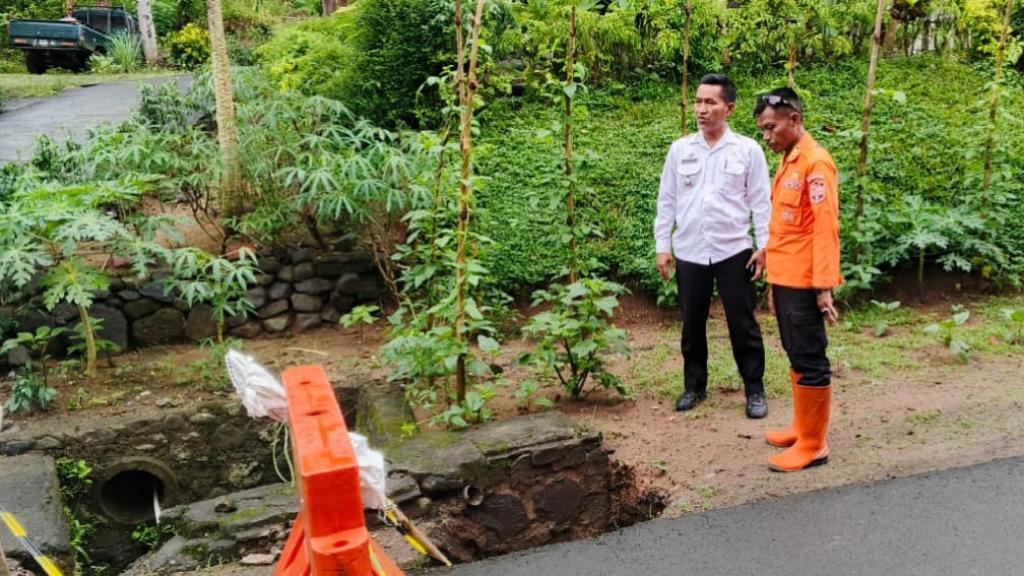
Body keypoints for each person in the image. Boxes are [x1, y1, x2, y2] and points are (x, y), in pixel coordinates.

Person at [654, 73, 772, 419]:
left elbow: (761, 203)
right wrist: (663, 245)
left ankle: (754, 390)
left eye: (710, 102)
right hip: (690, 250)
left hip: (734, 250)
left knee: (743, 323)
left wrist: (764, 246)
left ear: (729, 108)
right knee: (692, 323)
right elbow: (667, 201)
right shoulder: (680, 150)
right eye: (698, 102)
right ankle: (694, 387)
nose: (701, 109)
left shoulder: (748, 150)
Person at [754, 87, 842, 472]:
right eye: (762, 130)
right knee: (794, 352)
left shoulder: (815, 163)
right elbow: (790, 225)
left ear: (794, 119)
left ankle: (813, 445)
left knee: (809, 357)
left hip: (806, 282)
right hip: (785, 276)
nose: (766, 136)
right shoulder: (789, 159)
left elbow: (825, 229)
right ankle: (801, 426)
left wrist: (823, 287)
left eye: (771, 128)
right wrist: (767, 255)